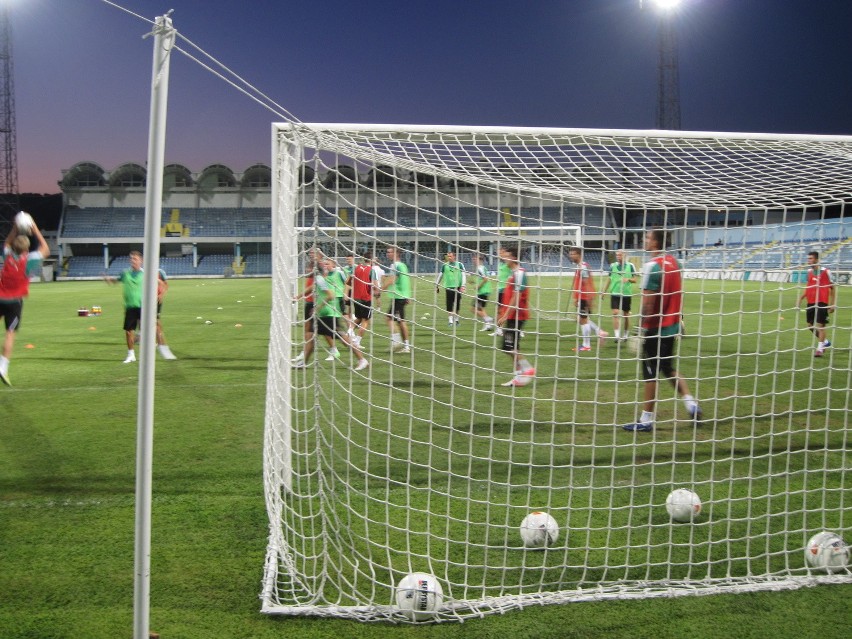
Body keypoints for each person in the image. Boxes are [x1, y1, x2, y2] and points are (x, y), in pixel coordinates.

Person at [623, 230, 702, 432]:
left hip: (655, 329)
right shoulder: (675, 263)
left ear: (656, 242)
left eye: (648, 238)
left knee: (650, 374)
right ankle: (691, 404)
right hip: (672, 327)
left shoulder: (652, 266)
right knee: (668, 368)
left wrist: (640, 329)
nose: (644, 240)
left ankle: (646, 420)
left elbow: (648, 302)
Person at [292, 259, 368, 371]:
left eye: (309, 268)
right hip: (324, 314)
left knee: (343, 339)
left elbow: (330, 295)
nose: (307, 270)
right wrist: (297, 297)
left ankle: (362, 360)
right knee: (310, 335)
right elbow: (310, 289)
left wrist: (317, 308)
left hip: (328, 314)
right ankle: (303, 363)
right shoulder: (320, 279)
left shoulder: (321, 279)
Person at [0, 216, 50, 386]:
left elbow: (6, 243)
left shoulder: (7, 256)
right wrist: (34, 227)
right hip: (14, 302)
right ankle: (3, 366)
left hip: (0, 297)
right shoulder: (30, 259)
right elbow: (46, 249)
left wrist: (15, 227)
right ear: (27, 250)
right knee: (10, 333)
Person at [104, 250, 176, 363]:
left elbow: (162, 284)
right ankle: (131, 354)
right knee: (129, 331)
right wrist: (109, 280)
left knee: (147, 330)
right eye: (131, 259)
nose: (132, 261)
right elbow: (117, 280)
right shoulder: (125, 273)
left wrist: (161, 294)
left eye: (135, 259)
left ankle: (156, 351)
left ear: (141, 261)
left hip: (144, 307)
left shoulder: (146, 274)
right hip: (130, 306)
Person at [496, 245, 535, 387]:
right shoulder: (513, 273)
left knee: (510, 348)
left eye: (505, 255)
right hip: (513, 315)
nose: (503, 257)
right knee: (510, 348)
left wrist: (505, 314)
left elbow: (516, 296)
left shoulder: (519, 273)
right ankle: (519, 377)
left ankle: (528, 369)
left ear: (512, 257)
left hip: (517, 316)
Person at [568, 247, 608, 351]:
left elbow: (586, 284)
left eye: (573, 254)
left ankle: (587, 345)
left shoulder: (583, 267)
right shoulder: (580, 266)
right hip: (582, 297)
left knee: (583, 320)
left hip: (585, 297)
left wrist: (589, 300)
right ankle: (600, 332)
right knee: (581, 319)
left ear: (579, 255)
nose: (571, 256)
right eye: (570, 254)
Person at [798, 251, 835, 358]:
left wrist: (832, 304)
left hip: (822, 302)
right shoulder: (809, 272)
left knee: (821, 325)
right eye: (808, 258)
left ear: (817, 260)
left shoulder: (826, 272)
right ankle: (825, 342)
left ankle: (819, 349)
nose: (809, 260)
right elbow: (808, 287)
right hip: (810, 302)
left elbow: (833, 288)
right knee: (810, 325)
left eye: (811, 258)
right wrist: (801, 298)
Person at [382, 246, 412, 353]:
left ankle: (397, 341)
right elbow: (406, 281)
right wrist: (408, 296)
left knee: (391, 319)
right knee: (399, 321)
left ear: (396, 254)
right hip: (401, 296)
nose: (387, 254)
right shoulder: (403, 265)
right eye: (387, 252)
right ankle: (405, 345)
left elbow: (392, 280)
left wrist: (380, 289)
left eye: (389, 252)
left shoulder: (395, 265)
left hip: (398, 297)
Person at [291, 252, 317, 365]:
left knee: (310, 333)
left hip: (313, 304)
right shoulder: (312, 272)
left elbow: (312, 288)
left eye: (309, 268)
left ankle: (304, 355)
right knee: (308, 332)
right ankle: (304, 354)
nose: (307, 270)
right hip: (309, 303)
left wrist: (298, 296)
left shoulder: (318, 273)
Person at [349, 250, 377, 347]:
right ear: (372, 260)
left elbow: (348, 281)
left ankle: (350, 330)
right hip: (366, 298)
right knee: (365, 320)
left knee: (359, 318)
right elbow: (375, 286)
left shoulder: (356, 268)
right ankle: (357, 342)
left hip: (356, 298)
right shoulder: (372, 271)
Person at [608, 250, 637, 341]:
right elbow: (609, 278)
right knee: (615, 313)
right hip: (615, 293)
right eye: (617, 255)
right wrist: (604, 291)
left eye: (620, 255)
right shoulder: (612, 266)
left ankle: (625, 335)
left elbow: (635, 279)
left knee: (626, 315)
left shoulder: (631, 266)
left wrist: (628, 279)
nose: (618, 256)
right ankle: (617, 336)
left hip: (626, 294)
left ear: (625, 256)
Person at [436, 251, 466, 325]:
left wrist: (463, 285)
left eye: (450, 256)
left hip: (457, 287)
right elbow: (440, 275)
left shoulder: (460, 265)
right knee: (449, 304)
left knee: (457, 304)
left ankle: (456, 320)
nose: (449, 258)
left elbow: (463, 275)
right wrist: (437, 284)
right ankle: (450, 321)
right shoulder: (444, 265)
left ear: (454, 256)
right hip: (448, 287)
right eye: (448, 256)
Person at [471, 253, 494, 331]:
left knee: (473, 309)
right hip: (485, 291)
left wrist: (478, 287)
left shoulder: (480, 268)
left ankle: (488, 319)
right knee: (481, 309)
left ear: (480, 260)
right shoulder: (482, 268)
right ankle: (488, 325)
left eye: (475, 259)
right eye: (473, 259)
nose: (473, 260)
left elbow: (485, 279)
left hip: (482, 292)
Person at [493, 246, 511, 336]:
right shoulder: (500, 263)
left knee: (510, 311)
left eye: (501, 252)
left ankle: (518, 330)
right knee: (499, 311)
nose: (499, 254)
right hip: (500, 290)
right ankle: (499, 330)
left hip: (507, 290)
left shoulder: (509, 263)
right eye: (498, 253)